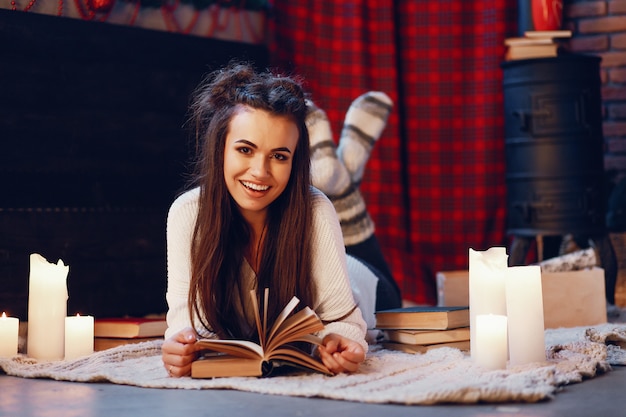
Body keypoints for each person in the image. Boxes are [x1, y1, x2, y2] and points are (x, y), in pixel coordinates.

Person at [161, 62, 396, 378]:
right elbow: (186, 321)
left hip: (367, 284)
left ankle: (342, 188)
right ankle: (340, 173)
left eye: (279, 156)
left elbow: (346, 322)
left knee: (341, 215)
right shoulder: (187, 213)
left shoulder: (315, 211)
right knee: (328, 202)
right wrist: (180, 344)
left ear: (294, 161)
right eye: (245, 149)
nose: (260, 171)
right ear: (220, 149)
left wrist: (340, 340)